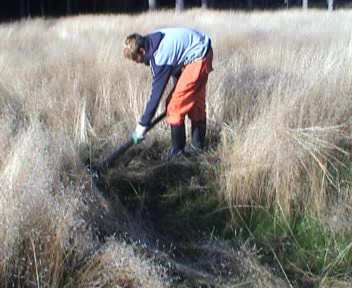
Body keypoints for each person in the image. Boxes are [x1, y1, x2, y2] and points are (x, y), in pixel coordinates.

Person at [123, 27, 213, 158]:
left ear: (142, 51)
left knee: (174, 106)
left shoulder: (160, 58)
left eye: (136, 59)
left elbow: (155, 97)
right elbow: (176, 60)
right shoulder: (151, 40)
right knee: (194, 103)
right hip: (204, 50)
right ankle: (198, 150)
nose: (137, 63)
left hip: (198, 58)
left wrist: (142, 126)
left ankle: (178, 154)